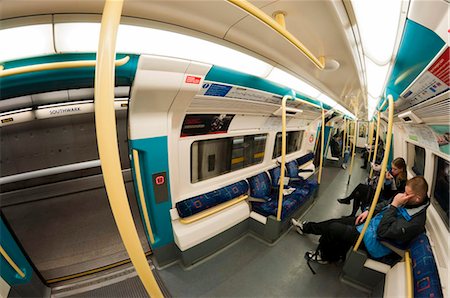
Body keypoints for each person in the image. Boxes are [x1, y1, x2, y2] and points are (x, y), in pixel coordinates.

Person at [292, 176, 429, 265]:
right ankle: (306, 227)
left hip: (376, 242)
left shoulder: (415, 222)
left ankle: (326, 256)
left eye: (406, 194)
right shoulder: (408, 201)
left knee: (334, 228)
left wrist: (394, 206)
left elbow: (383, 232)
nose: (403, 196)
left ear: (417, 198)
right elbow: (384, 205)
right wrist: (369, 211)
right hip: (370, 224)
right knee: (340, 220)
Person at [338, 157, 407, 216]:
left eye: (395, 169)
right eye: (392, 168)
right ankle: (352, 212)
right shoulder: (392, 174)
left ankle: (349, 201)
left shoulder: (402, 182)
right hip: (380, 192)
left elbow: (389, 195)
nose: (392, 171)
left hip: (384, 198)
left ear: (401, 169)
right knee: (359, 192)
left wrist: (388, 182)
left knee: (360, 188)